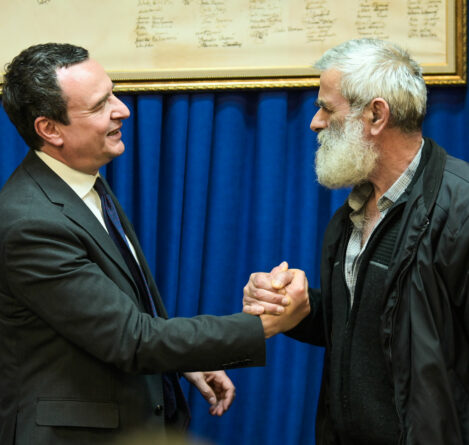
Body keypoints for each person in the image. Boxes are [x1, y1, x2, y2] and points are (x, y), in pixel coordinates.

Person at [0, 43, 309, 445]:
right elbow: (132, 340)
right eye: (100, 105)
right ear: (50, 130)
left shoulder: (82, 182)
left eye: (112, 93)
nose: (122, 110)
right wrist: (264, 325)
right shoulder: (30, 222)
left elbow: (113, 317)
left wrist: (182, 361)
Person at [243, 38, 469, 444]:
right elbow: (365, 327)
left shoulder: (461, 209)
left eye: (327, 109)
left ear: (376, 115)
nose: (315, 122)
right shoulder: (349, 214)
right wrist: (298, 307)